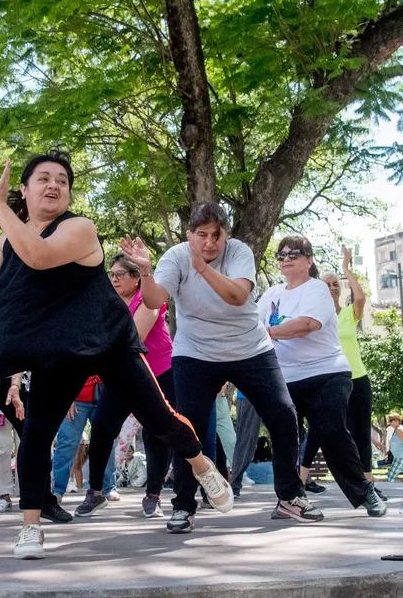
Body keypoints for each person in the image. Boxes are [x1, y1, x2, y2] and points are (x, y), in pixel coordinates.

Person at [0, 155, 227, 559]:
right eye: (43, 179)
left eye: (62, 180)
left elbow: (38, 255)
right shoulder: (9, 239)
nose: (54, 185)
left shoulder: (79, 228)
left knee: (161, 420)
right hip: (59, 350)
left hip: (107, 340)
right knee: (35, 435)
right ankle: (31, 527)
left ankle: (200, 463)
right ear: (26, 189)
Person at [121, 203, 318, 532]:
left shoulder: (239, 252)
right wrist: (145, 272)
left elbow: (238, 296)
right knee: (188, 426)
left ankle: (290, 497)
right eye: (202, 235)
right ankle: (184, 505)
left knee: (283, 414)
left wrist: (202, 268)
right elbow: (155, 301)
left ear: (226, 234)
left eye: (217, 235)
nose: (210, 242)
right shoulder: (176, 256)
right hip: (196, 352)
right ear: (190, 235)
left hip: (249, 348)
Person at [258, 235, 385, 517]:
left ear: (309, 260)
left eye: (294, 254)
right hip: (285, 377)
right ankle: (290, 498)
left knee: (330, 429)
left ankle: (365, 491)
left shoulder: (317, 290)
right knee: (282, 432)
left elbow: (306, 325)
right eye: (281, 255)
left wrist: (266, 333)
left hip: (327, 372)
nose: (287, 258)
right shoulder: (270, 295)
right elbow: (251, 325)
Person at [75, 252, 176, 520]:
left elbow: (134, 338)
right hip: (120, 375)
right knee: (101, 429)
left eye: (120, 274)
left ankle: (153, 496)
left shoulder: (149, 299)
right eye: (111, 274)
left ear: (135, 278)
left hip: (157, 373)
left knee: (157, 434)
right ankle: (95, 492)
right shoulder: (107, 303)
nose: (114, 279)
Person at [300, 247, 382, 497]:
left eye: (336, 284)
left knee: (361, 431)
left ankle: (369, 484)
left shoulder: (348, 314)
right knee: (318, 429)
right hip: (329, 380)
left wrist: (347, 270)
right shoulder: (315, 317)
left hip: (357, 377)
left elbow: (360, 300)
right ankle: (300, 479)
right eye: (328, 284)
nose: (333, 287)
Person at [52, 377, 115, 502]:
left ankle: (109, 488)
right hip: (75, 397)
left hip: (104, 394)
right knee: (67, 442)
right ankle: (58, 489)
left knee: (106, 440)